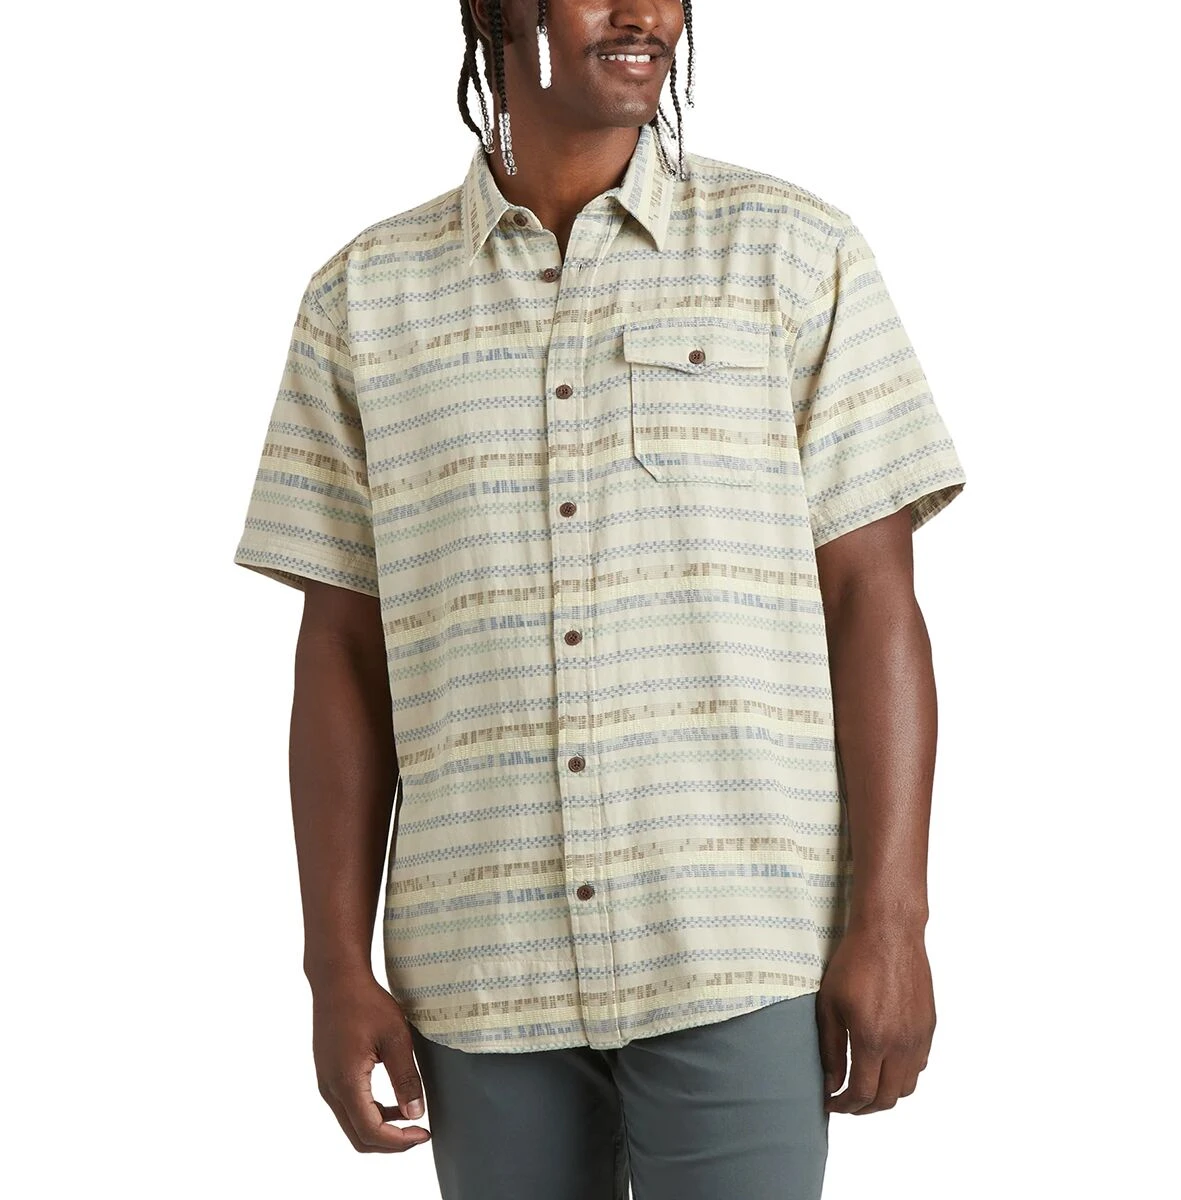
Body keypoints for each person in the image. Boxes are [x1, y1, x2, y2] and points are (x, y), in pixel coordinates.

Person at [232, 2, 968, 1197]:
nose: (647, 14)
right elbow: (345, 657)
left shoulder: (793, 256)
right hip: (482, 973)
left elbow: (872, 601)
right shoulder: (362, 301)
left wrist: (894, 920)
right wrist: (332, 964)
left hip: (736, 948)